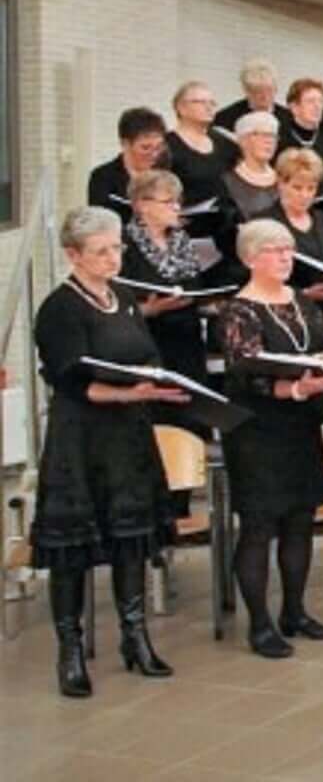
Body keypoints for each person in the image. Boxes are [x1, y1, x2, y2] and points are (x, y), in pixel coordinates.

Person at [32, 206, 190, 697]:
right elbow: (70, 379)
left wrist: (153, 382)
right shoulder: (60, 308)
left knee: (132, 538)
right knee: (72, 551)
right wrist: (127, 391)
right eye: (100, 251)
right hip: (81, 435)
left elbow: (145, 353)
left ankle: (135, 636)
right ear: (73, 255)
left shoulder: (122, 297)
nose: (112, 258)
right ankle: (71, 650)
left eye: (117, 248)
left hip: (127, 434)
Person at [219, 219, 323, 658]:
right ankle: (259, 624)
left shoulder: (300, 301)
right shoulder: (238, 310)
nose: (284, 257)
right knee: (259, 526)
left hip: (301, 424)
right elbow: (244, 371)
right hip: (256, 431)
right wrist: (294, 386)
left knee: (300, 520)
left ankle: (295, 611)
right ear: (250, 258)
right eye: (274, 250)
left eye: (288, 249)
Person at [119, 171, 217, 402]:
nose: (177, 208)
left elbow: (195, 285)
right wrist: (150, 309)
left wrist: (210, 302)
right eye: (168, 202)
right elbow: (119, 301)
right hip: (149, 342)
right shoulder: (123, 244)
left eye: (178, 201)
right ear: (142, 205)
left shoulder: (181, 240)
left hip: (188, 340)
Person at [262, 149, 323, 335]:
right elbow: (259, 278)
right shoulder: (265, 224)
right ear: (280, 184)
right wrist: (303, 294)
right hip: (286, 320)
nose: (305, 195)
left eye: (311, 188)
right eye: (297, 187)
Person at [88, 107, 169, 219]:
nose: (154, 154)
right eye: (145, 148)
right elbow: (100, 221)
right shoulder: (103, 177)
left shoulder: (166, 174)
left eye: (159, 147)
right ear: (125, 144)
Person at [167, 81, 240, 205]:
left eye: (212, 103)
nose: (208, 107)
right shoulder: (166, 145)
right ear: (181, 108)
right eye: (200, 102)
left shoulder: (225, 142)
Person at [278, 78, 323, 198]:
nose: (317, 106)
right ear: (294, 107)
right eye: (310, 101)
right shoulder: (281, 139)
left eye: (320, 101)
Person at [223, 111, 285, 221]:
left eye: (273, 136)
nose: (269, 141)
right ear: (243, 140)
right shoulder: (227, 182)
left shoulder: (284, 178)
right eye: (263, 135)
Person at [214, 58, 295, 133]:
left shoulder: (290, 118)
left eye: (269, 90)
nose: (265, 96)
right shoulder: (226, 118)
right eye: (258, 91)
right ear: (246, 90)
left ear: (276, 88)